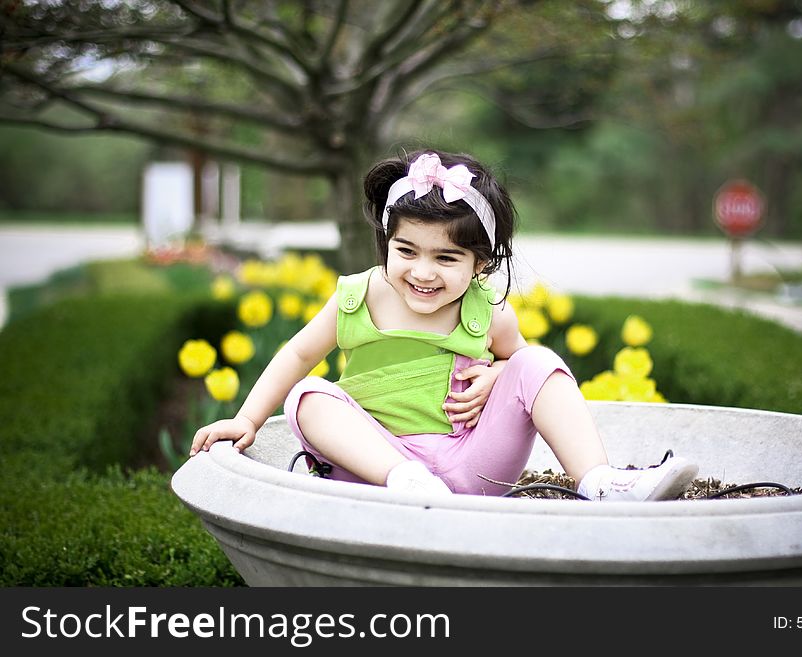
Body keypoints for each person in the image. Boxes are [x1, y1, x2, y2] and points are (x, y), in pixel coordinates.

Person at [190, 150, 698, 501]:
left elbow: (517, 363)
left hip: (472, 464)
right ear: (386, 243)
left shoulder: (487, 310)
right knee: (307, 395)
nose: (423, 272)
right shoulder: (357, 297)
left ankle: (599, 481)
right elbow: (297, 355)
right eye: (406, 251)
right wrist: (248, 420)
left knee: (541, 359)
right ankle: (408, 481)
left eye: (446, 257)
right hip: (379, 467)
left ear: (480, 264)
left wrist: (499, 374)